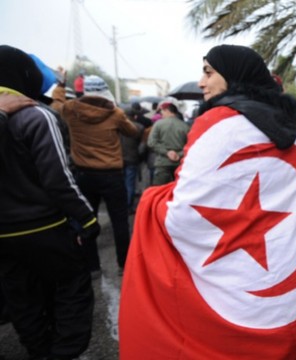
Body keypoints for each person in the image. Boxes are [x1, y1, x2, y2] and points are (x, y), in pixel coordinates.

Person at [119, 44, 296, 359]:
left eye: (208, 72)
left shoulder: (216, 122)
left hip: (238, 292)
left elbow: (182, 214)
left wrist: (151, 199)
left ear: (232, 75)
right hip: (288, 280)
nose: (202, 83)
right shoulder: (294, 132)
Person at [0, 45, 98, 360]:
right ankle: (64, 353)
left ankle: (39, 351)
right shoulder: (36, 115)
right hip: (46, 227)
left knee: (22, 299)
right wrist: (88, 218)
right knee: (72, 288)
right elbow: (58, 179)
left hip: (4, 235)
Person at [58, 74, 139, 277]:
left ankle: (93, 267)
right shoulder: (115, 113)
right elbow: (132, 132)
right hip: (112, 176)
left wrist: (60, 84)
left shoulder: (70, 110)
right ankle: (124, 265)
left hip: (84, 175)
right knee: (120, 222)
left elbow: (56, 103)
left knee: (87, 220)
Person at [146, 97, 190, 185]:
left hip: (162, 163)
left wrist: (167, 152)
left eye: (162, 111)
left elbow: (151, 142)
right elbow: (190, 145)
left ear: (167, 110)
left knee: (160, 192)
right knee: (177, 191)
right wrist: (179, 154)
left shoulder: (158, 124)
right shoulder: (185, 126)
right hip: (179, 164)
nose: (161, 113)